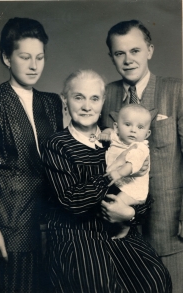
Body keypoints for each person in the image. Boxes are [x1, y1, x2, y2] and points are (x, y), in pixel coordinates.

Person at [41, 69, 171, 293]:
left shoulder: (119, 138)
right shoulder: (57, 144)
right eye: (78, 97)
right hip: (77, 237)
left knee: (155, 280)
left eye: (94, 98)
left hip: (117, 230)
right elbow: (72, 201)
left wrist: (128, 214)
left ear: (102, 102)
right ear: (65, 100)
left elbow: (141, 194)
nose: (86, 106)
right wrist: (111, 174)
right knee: (102, 286)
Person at [100, 19, 183, 293]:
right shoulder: (106, 95)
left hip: (168, 227)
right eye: (119, 53)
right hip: (120, 228)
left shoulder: (176, 91)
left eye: (135, 51)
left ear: (150, 50)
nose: (128, 59)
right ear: (111, 57)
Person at [0, 17, 63, 293]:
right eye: (25, 57)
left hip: (48, 222)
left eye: (40, 57)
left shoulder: (51, 102)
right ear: (7, 58)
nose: (34, 66)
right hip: (8, 222)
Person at [99, 104, 151, 238]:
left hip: (134, 190)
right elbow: (104, 135)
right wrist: (105, 132)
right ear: (117, 127)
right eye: (128, 125)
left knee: (118, 204)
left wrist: (118, 173)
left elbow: (131, 165)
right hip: (121, 185)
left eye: (140, 127)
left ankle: (124, 228)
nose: (133, 130)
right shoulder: (117, 138)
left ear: (147, 133)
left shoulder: (139, 148)